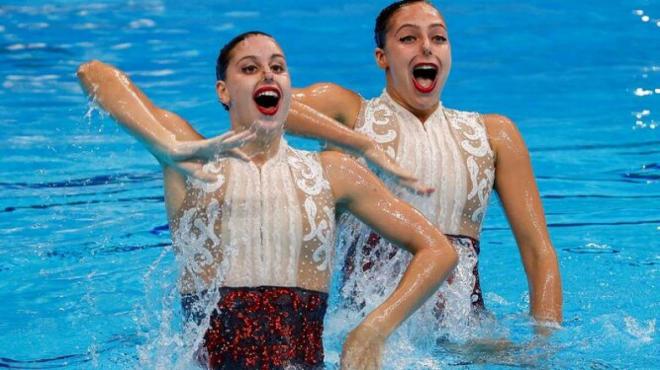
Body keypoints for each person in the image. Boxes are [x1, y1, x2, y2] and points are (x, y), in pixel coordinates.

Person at [77, 31, 458, 370]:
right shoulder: (191, 157)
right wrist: (166, 146)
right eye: (249, 68)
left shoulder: (331, 173)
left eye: (278, 67)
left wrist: (374, 328)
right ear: (223, 91)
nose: (268, 74)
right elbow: (94, 73)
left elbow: (437, 250)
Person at [284, 0, 563, 336]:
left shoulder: (494, 135)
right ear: (381, 58)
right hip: (365, 328)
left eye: (439, 38)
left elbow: (538, 252)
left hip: (468, 335)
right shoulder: (352, 114)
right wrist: (361, 143)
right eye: (408, 39)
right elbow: (263, 104)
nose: (427, 47)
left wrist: (545, 343)